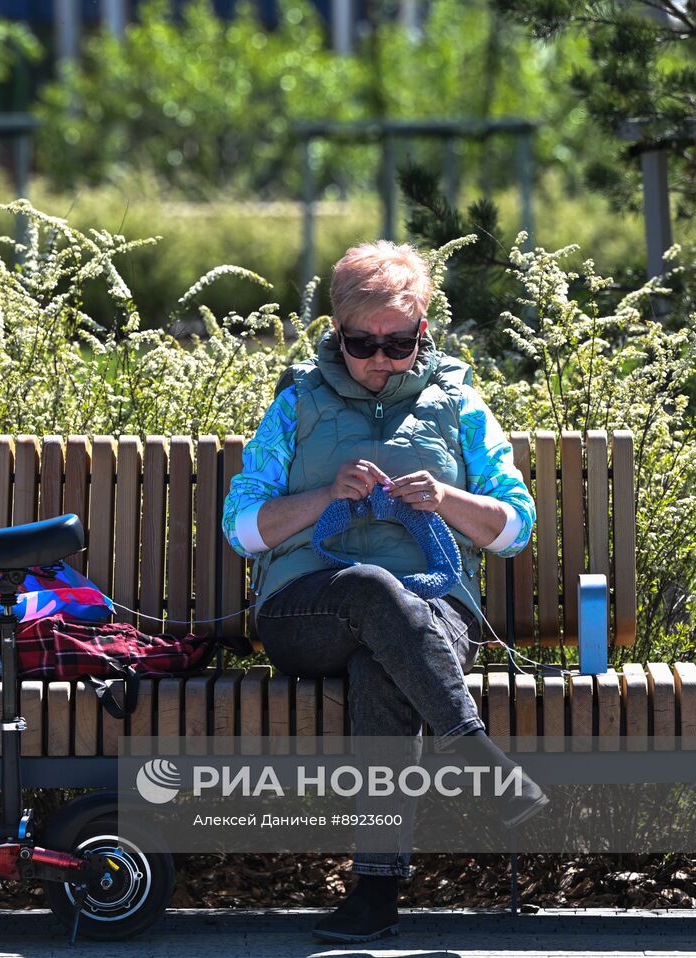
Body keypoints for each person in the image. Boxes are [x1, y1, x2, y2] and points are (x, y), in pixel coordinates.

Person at [221, 240, 549, 943]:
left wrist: (447, 498)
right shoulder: (296, 402)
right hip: (309, 609)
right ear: (336, 334)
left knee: (384, 660)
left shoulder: (458, 401)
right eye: (360, 343)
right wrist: (321, 497)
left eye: (397, 344)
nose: (378, 359)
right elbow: (241, 527)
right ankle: (479, 760)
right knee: (370, 590)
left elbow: (513, 528)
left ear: (422, 331)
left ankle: (373, 894)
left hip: (431, 611)